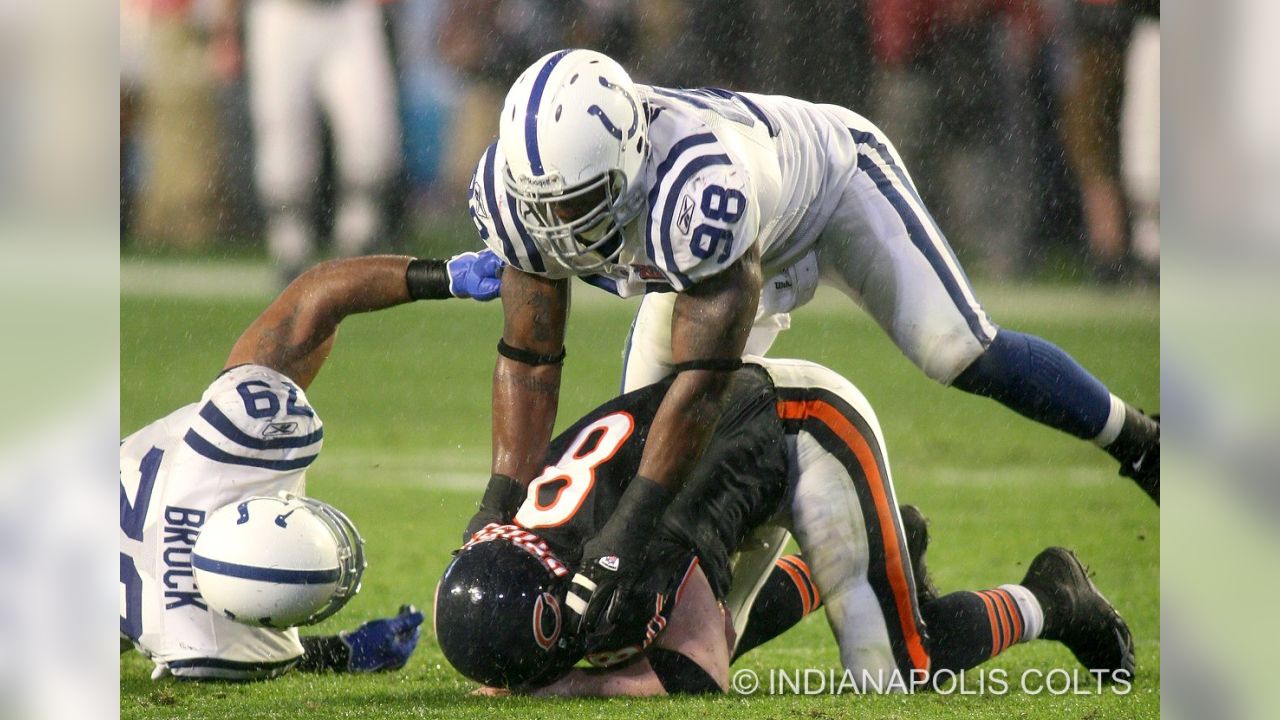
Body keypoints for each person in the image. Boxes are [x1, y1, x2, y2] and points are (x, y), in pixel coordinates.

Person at [463, 48, 1159, 637]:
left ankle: (1139, 440)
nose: (555, 228)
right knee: (640, 464)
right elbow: (529, 359)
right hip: (701, 262)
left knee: (955, 348)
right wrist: (500, 499)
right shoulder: (517, 192)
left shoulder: (698, 189)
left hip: (832, 190)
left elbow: (705, 388)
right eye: (541, 207)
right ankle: (827, 568)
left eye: (576, 204)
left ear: (629, 159)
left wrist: (627, 532)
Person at [436, 357, 1135, 695]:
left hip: (804, 426)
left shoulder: (631, 543)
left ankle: (1053, 597)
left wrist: (561, 686)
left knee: (898, 672)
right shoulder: (532, 543)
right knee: (627, 630)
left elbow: (697, 672)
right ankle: (876, 548)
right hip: (725, 453)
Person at [120, 250, 502, 680]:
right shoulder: (199, 642)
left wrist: (443, 277)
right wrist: (441, 276)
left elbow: (313, 301)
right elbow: (313, 301)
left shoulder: (202, 642)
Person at [213, 0, 403, 283]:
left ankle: (359, 243)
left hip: (349, 13)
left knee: (371, 136)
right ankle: (290, 248)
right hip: (282, 15)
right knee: (283, 138)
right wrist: (227, 24)